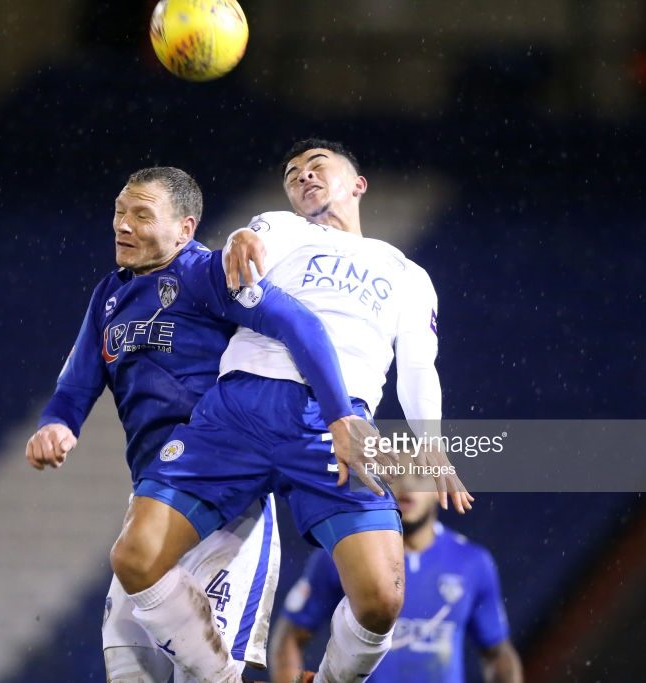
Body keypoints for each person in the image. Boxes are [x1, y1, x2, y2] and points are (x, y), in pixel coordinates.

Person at [110, 140, 472, 682]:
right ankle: (222, 676)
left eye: (317, 166)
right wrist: (241, 238)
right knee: (135, 557)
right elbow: (253, 239)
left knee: (380, 600)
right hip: (239, 409)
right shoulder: (285, 228)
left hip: (338, 428)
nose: (302, 176)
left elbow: (420, 367)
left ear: (358, 183)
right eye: (292, 172)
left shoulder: (407, 274)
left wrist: (431, 441)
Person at [25, 166, 362, 681]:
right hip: (154, 503)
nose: (124, 226)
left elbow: (298, 323)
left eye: (141, 215)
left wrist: (340, 414)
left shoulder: (207, 274)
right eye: (120, 212)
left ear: (185, 229)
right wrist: (58, 424)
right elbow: (75, 386)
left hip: (229, 510)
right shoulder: (109, 296)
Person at [270, 481, 523, 683]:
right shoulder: (338, 556)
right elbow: (289, 638)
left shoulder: (473, 562)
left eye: (420, 474)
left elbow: (497, 654)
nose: (407, 484)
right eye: (395, 473)